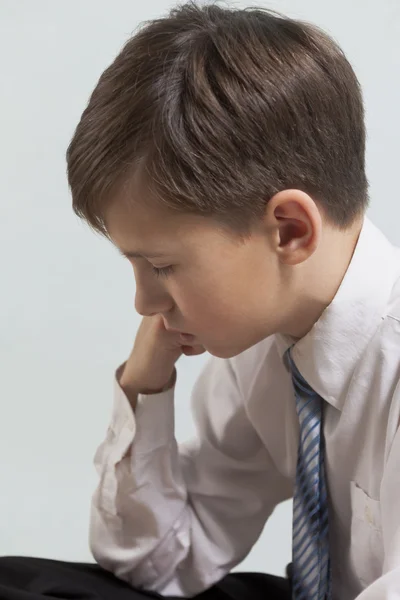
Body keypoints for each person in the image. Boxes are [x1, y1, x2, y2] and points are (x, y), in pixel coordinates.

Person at [1, 1, 400, 599]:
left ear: (290, 229)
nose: (142, 301)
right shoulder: (266, 341)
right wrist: (145, 382)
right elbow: (159, 565)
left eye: (161, 266)